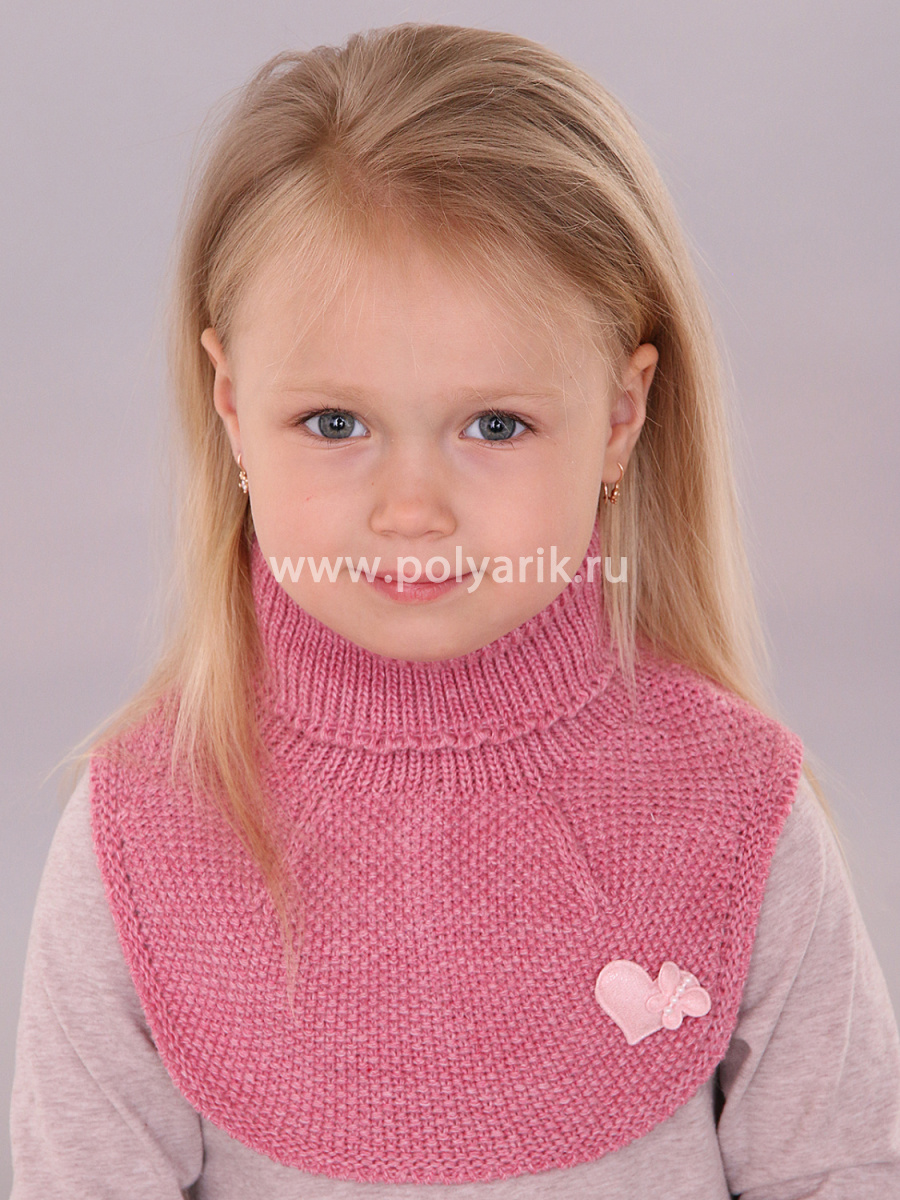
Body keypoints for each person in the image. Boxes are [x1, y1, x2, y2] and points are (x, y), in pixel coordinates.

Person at [8, 21, 900, 1198]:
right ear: (232, 408)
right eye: (335, 424)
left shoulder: (736, 807)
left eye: (494, 425)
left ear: (621, 417)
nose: (412, 509)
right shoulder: (144, 832)